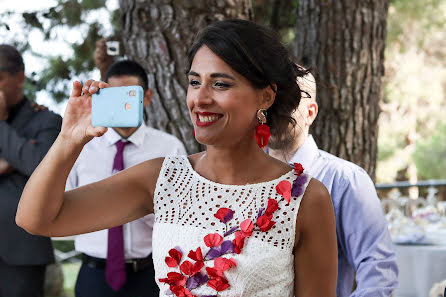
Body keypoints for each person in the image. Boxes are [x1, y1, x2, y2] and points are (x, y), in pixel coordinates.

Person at [16, 19, 337, 297]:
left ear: (265, 95)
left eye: (220, 84)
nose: (200, 98)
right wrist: (69, 140)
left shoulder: (306, 199)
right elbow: (37, 219)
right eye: (194, 82)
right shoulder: (163, 179)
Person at [268, 68, 399, 297]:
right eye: (270, 101)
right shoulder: (242, 179)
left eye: (288, 102)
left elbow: (378, 275)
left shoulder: (346, 181)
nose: (275, 111)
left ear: (311, 113)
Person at [67, 60, 187, 297]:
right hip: (93, 275)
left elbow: (181, 216)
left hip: (148, 274)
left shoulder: (169, 148)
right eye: (113, 95)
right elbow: (60, 203)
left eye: (129, 95)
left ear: (148, 97)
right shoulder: (81, 146)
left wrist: (145, 208)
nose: (122, 103)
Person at [0, 44, 62, 297]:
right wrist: (16, 157)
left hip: (21, 251)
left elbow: (38, 166)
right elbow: (28, 158)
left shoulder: (47, 121)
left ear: (20, 77)